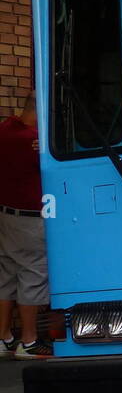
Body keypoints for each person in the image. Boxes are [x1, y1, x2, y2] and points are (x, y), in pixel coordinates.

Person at [0, 92, 52, 359]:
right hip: (30, 219)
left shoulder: (7, 128)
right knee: (33, 273)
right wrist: (43, 143)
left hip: (6, 215)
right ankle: (29, 342)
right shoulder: (33, 141)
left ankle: (4, 338)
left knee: (7, 273)